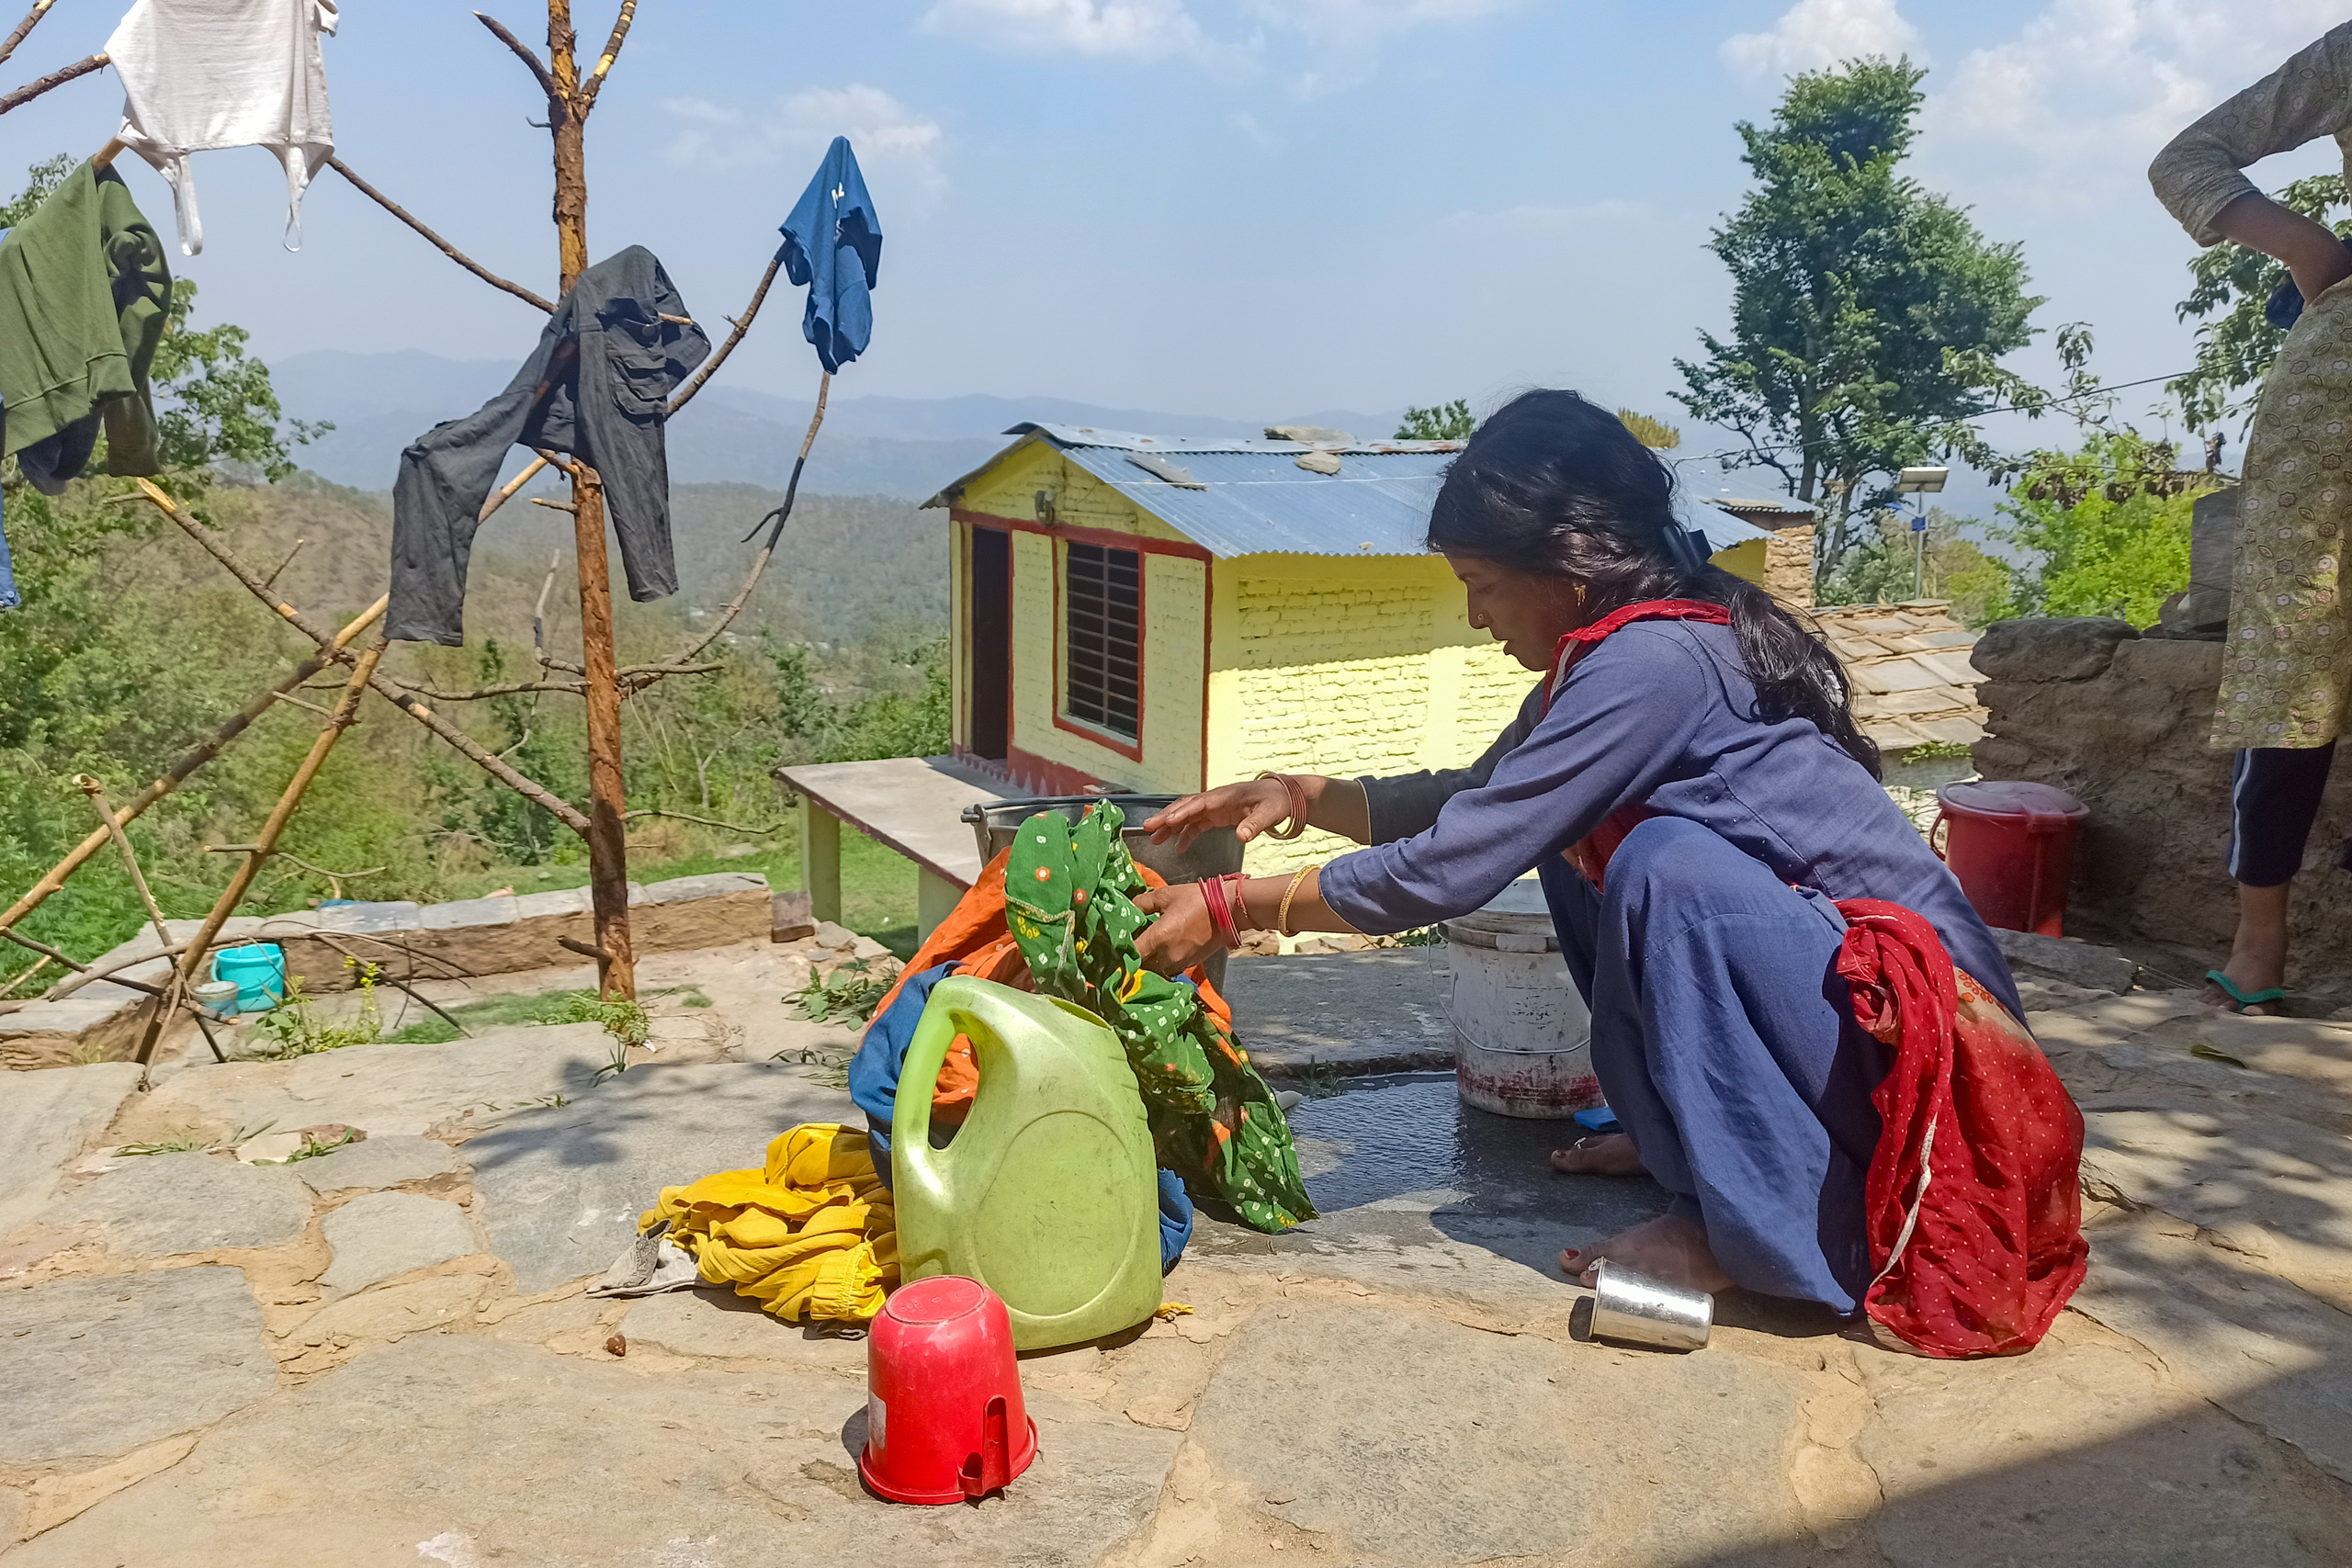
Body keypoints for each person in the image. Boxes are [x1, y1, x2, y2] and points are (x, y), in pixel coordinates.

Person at [1132, 389, 2054, 1325]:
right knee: (1587, 851)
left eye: (1483, 586)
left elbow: (1455, 865)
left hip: (1935, 1051)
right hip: (1849, 1019)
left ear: (1567, 564)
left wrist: (1230, 902)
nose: (1475, 620)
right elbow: (1480, 800)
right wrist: (1300, 796)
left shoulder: (1655, 662)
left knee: (1663, 866)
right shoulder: (1610, 655)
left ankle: (1771, 1231)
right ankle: (1692, 1153)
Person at [2149, 24, 2352, 1017]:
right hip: (2338, 397)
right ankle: (2257, 943)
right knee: (2291, 661)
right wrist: (2309, 247)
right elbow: (2185, 157)